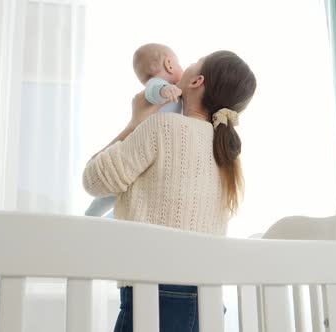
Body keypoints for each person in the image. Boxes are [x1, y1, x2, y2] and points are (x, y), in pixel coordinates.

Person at [83, 50, 257, 331]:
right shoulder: (227, 155)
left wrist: (134, 122)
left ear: (196, 81)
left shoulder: (163, 127)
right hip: (210, 301)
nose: (185, 65)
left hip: (156, 292)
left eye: (194, 62)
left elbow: (93, 180)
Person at [85, 43, 184, 217]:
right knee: (115, 189)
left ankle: (96, 216)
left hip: (143, 149)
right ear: (169, 64)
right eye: (178, 63)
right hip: (139, 145)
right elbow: (153, 90)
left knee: (122, 190)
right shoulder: (159, 85)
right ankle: (91, 215)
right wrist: (165, 89)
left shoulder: (177, 95)